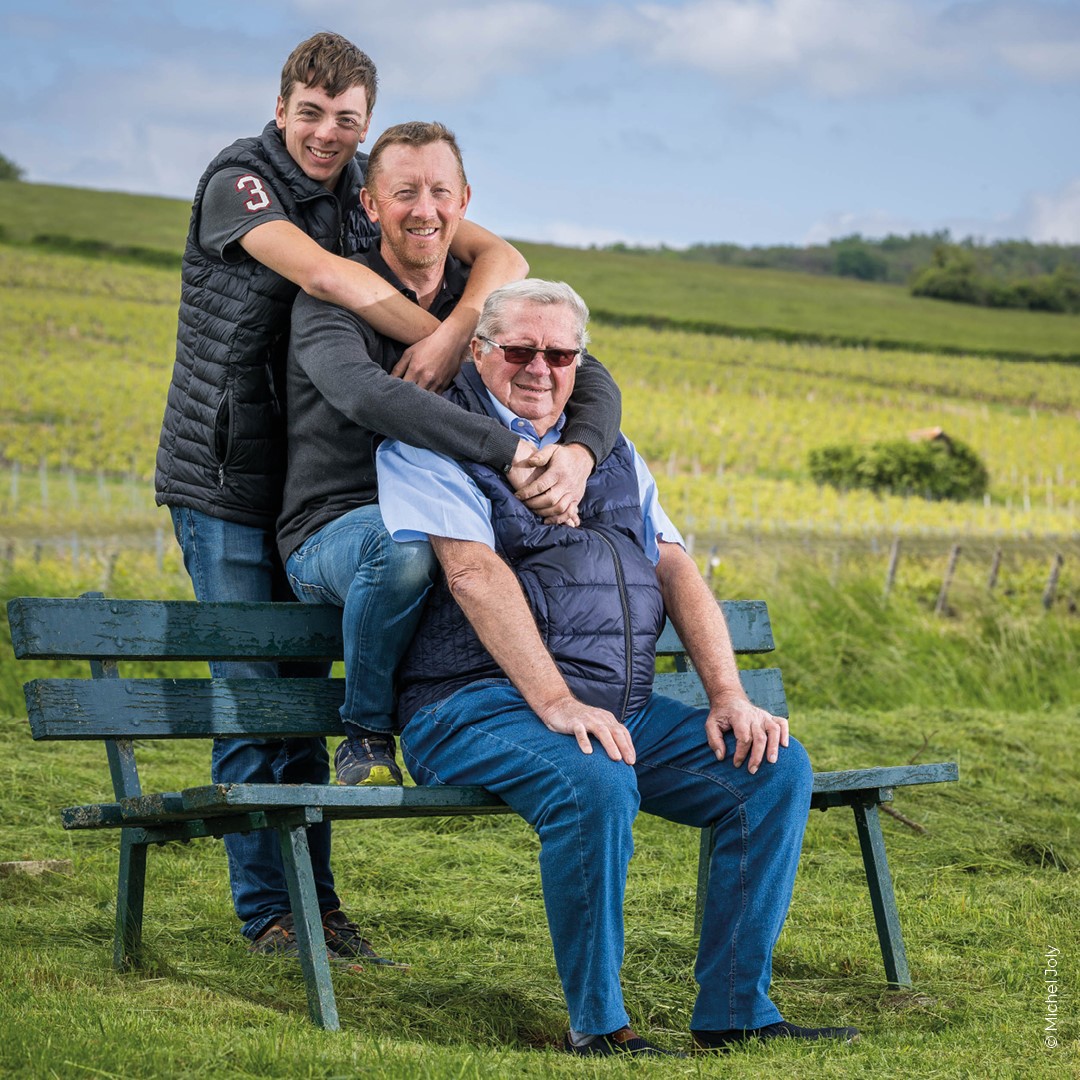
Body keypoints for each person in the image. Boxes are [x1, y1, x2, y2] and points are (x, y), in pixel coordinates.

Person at [376, 280, 860, 1056]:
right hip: (471, 705)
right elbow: (473, 575)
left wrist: (727, 695)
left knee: (772, 769)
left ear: (579, 361)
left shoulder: (610, 452)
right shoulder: (431, 442)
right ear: (478, 351)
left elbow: (674, 567)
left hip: (615, 706)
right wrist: (557, 701)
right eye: (520, 350)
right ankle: (599, 1027)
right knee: (596, 780)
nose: (540, 368)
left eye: (560, 354)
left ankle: (737, 1011)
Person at [153, 33, 530, 961]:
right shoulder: (238, 182)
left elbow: (507, 258)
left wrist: (461, 332)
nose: (327, 133)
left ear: (365, 120)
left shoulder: (370, 183)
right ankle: (268, 914)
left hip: (307, 481)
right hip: (225, 472)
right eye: (311, 114)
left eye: (346, 118)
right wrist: (444, 343)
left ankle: (317, 903)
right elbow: (332, 279)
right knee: (256, 700)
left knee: (304, 696)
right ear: (281, 108)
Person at [278, 123, 622, 794]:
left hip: (456, 514)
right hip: (340, 525)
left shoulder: (485, 303)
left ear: (464, 201)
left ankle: (545, 718)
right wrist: (509, 451)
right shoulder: (331, 299)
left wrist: (578, 457)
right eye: (404, 192)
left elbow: (595, 377)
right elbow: (364, 394)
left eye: (440, 191)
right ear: (371, 206)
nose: (424, 210)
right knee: (404, 548)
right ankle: (367, 733)